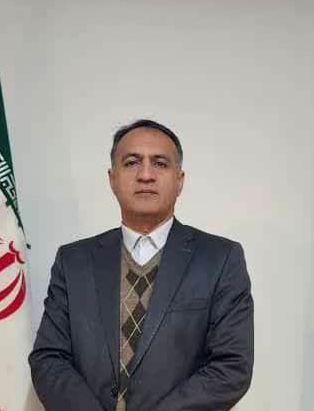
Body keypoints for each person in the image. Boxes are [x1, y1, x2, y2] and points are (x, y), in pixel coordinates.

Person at [29, 119, 254, 411]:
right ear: (112, 179)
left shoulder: (220, 259)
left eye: (160, 163)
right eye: (132, 162)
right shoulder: (73, 262)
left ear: (180, 180)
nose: (145, 175)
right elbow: (48, 359)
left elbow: (232, 365)